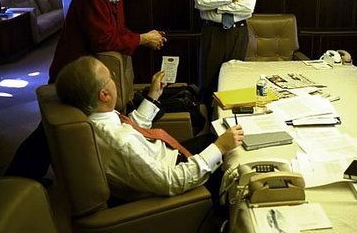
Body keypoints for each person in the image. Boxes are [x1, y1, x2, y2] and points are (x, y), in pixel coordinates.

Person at [5, 0, 167, 182]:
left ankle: (27, 176)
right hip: (71, 72)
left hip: (88, 72)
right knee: (53, 129)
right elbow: (104, 40)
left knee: (62, 130)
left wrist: (143, 37)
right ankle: (17, 178)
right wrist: (142, 39)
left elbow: (118, 32)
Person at [55, 56, 244, 205]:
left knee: (218, 140)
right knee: (239, 163)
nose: (114, 78)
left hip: (167, 157)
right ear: (104, 95)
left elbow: (132, 129)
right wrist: (219, 148)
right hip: (176, 177)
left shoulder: (98, 118)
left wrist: (153, 96)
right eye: (110, 77)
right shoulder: (120, 143)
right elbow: (172, 181)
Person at [193, 0, 257, 117]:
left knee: (234, 82)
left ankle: (231, 123)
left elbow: (248, 7)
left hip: (238, 32)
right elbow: (200, 1)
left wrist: (216, 4)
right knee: (208, 82)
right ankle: (206, 126)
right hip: (212, 32)